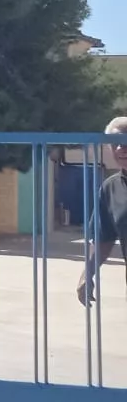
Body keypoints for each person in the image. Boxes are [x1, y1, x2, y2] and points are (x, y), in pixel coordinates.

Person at [79, 116, 127, 307]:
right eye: (115, 144)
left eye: (125, 142)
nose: (120, 149)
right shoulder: (110, 188)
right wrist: (87, 273)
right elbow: (103, 237)